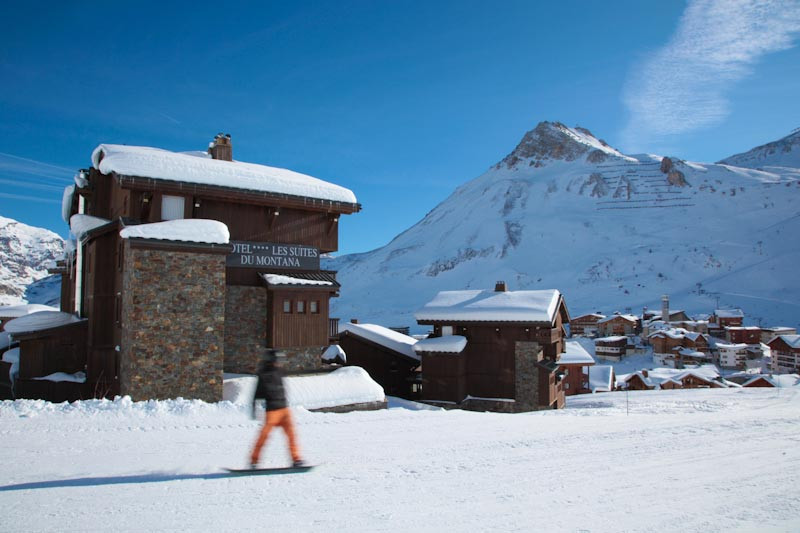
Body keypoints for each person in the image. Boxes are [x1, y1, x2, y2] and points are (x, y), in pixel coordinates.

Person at [250, 349, 306, 468]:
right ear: (271, 361)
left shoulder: (280, 371)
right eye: (278, 360)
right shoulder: (263, 374)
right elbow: (257, 393)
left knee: (292, 435)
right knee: (263, 436)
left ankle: (296, 460)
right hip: (272, 412)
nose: (280, 363)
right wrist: (254, 409)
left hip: (284, 410)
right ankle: (254, 461)